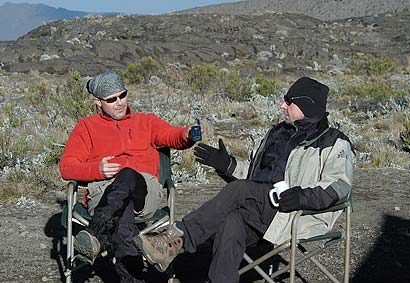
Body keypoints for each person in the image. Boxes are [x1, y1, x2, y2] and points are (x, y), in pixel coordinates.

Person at [133, 77, 355, 283]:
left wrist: (300, 196)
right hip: (261, 208)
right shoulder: (277, 133)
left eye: (289, 102)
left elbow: (340, 186)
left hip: (297, 215)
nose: (282, 106)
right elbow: (254, 177)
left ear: (306, 106)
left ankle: (177, 238)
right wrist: (227, 165)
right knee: (232, 222)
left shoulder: (334, 143)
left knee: (239, 191)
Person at [59, 70, 198, 282]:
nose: (120, 103)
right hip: (104, 193)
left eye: (122, 95)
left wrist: (188, 133)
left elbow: (173, 136)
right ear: (98, 102)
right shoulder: (86, 127)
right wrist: (97, 170)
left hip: (144, 191)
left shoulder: (146, 121)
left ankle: (95, 235)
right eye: (111, 99)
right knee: (122, 217)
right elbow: (67, 167)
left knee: (127, 175)